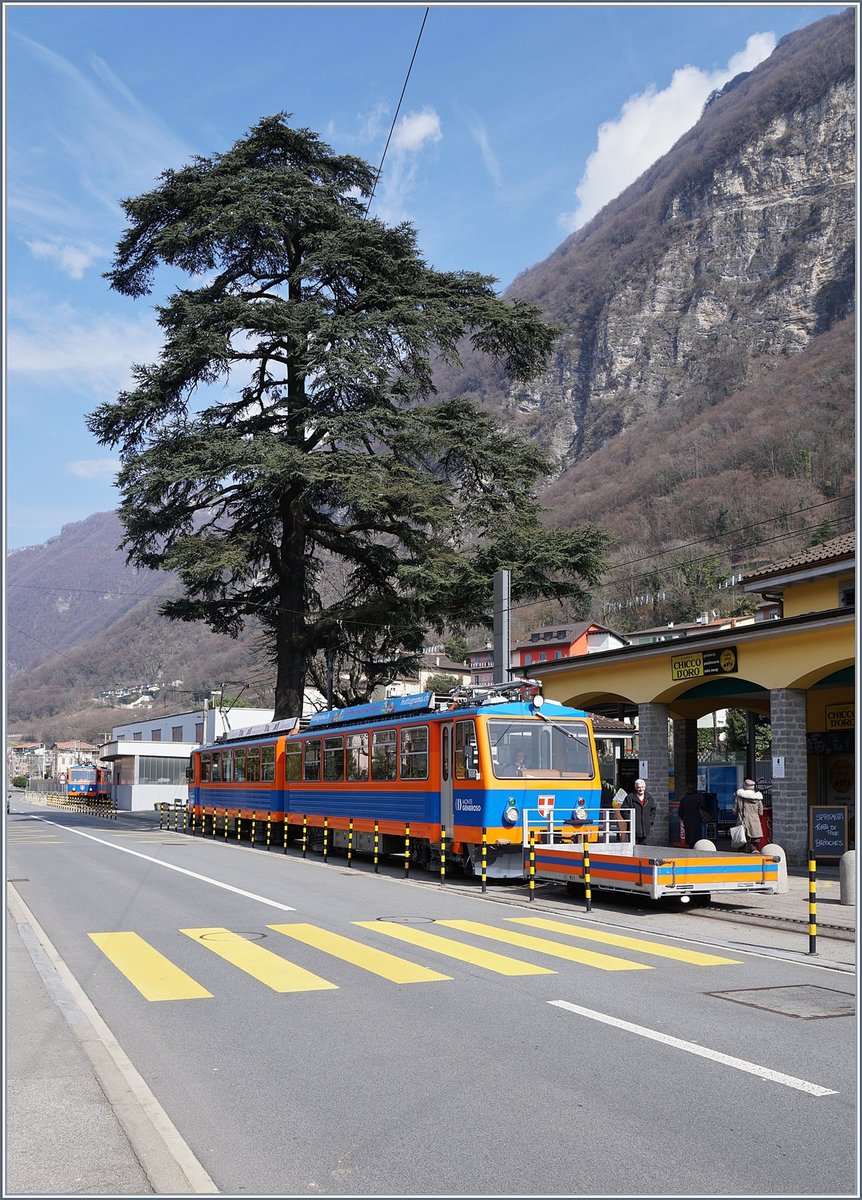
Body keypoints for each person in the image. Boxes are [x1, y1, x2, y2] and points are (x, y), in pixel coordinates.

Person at [733, 778, 764, 853]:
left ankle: (741, 855)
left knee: (742, 840)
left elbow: (734, 811)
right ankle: (754, 849)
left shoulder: (739, 797)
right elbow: (761, 812)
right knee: (754, 839)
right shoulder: (758, 798)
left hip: (742, 821)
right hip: (754, 822)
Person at [624, 778, 657, 845]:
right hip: (633, 828)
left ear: (645, 787)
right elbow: (624, 810)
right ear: (636, 788)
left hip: (645, 828)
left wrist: (650, 821)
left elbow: (653, 810)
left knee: (643, 848)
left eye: (642, 787)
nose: (641, 789)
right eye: (639, 787)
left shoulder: (649, 798)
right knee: (633, 848)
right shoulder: (630, 797)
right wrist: (630, 820)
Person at [677, 783, 709, 849]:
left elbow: (680, 813)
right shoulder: (699, 798)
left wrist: (684, 818)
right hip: (697, 819)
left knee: (690, 836)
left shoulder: (684, 799)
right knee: (697, 835)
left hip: (687, 820)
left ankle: (691, 847)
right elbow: (704, 807)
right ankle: (697, 846)